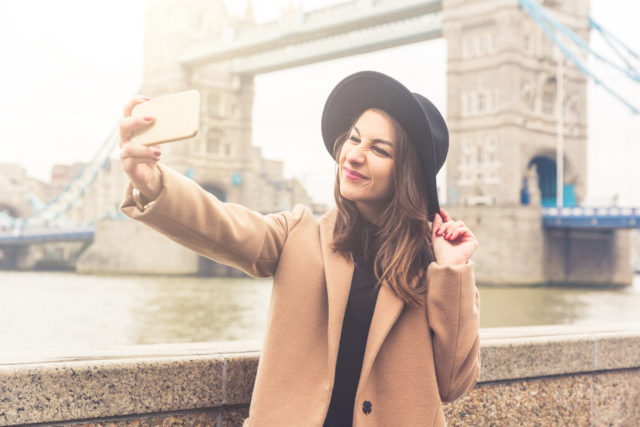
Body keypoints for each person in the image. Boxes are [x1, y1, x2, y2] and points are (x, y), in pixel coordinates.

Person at [119, 71, 480, 426]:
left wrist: (452, 273)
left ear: (407, 173)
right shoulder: (298, 233)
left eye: (379, 150)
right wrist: (152, 181)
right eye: (353, 139)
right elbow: (222, 224)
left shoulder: (433, 267)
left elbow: (453, 383)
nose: (354, 155)